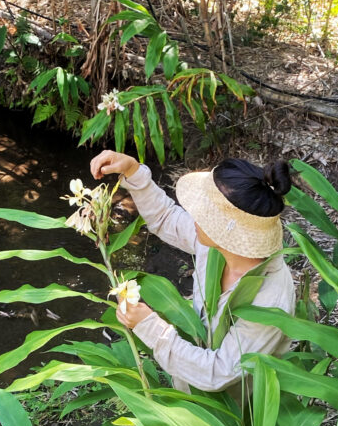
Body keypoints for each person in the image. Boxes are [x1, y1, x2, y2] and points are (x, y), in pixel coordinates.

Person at [89, 150, 296, 394]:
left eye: (204, 212)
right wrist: (133, 171)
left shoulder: (270, 300)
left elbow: (218, 372)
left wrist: (149, 326)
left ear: (228, 230)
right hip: (193, 397)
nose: (194, 214)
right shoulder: (220, 247)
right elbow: (166, 218)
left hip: (236, 417)